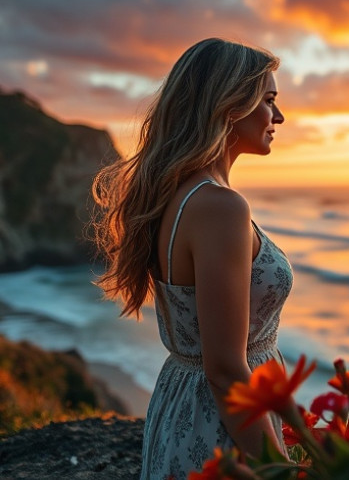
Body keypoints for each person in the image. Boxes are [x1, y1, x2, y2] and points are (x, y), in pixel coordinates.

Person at [92, 37, 292, 479]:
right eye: (268, 100)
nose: (278, 116)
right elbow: (224, 370)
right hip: (224, 430)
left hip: (183, 402)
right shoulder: (220, 207)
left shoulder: (177, 196)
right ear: (229, 106)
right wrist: (280, 468)